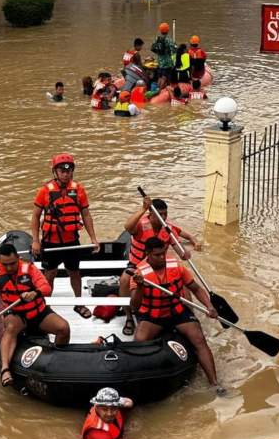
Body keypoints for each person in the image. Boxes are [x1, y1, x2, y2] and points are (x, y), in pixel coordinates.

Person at [131, 237, 221, 389]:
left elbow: (196, 288)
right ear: (148, 253)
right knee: (139, 342)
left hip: (177, 312)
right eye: (157, 255)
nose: (162, 257)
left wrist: (209, 306)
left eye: (163, 253)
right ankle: (141, 383)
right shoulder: (139, 273)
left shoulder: (177, 267)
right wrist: (140, 286)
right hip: (153, 315)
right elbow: (135, 305)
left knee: (199, 340)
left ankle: (215, 384)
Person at [0, 243, 71, 386]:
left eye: (12, 263)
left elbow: (46, 288)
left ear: (18, 258)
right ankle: (5, 369)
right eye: (5, 264)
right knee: (10, 328)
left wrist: (34, 293)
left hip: (38, 312)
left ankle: (57, 359)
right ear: (0, 262)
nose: (9, 268)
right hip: (16, 314)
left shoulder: (30, 270)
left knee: (63, 328)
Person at [119, 195, 201, 335]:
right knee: (124, 280)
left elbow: (177, 246)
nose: (163, 217)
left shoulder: (168, 228)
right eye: (160, 214)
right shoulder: (141, 225)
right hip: (137, 264)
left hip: (160, 265)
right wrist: (143, 208)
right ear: (151, 214)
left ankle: (189, 315)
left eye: (165, 214)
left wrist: (184, 253)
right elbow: (127, 227)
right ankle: (129, 317)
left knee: (182, 280)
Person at [31, 154, 101, 319]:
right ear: (55, 172)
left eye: (68, 171)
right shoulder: (44, 191)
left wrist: (93, 238)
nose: (65, 174)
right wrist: (35, 241)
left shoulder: (79, 190)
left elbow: (86, 215)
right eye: (62, 171)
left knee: (75, 273)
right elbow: (35, 217)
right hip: (51, 241)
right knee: (49, 274)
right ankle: (46, 306)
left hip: (71, 241)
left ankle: (79, 303)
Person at [81, 387, 172, 439]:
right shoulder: (95, 434)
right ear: (96, 408)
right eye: (104, 409)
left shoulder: (115, 407)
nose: (109, 413)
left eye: (113, 408)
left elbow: (128, 401)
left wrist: (128, 403)